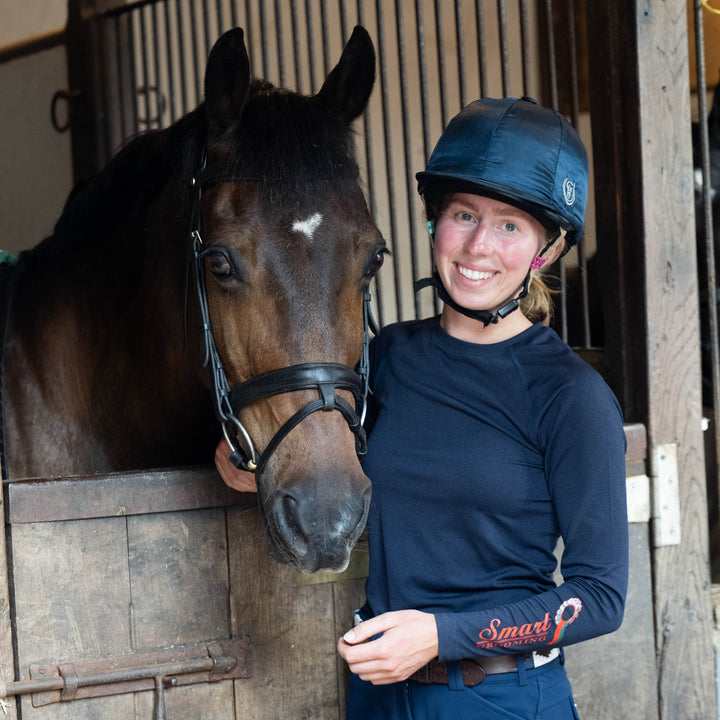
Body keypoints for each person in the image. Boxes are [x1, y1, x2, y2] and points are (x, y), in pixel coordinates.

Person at [216, 96, 628, 720]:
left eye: (510, 225)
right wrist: (244, 451)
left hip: (500, 698)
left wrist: (442, 635)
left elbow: (600, 598)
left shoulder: (570, 395)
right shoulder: (387, 359)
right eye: (464, 214)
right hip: (378, 696)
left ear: (544, 250)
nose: (478, 246)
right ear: (436, 222)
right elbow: (314, 438)